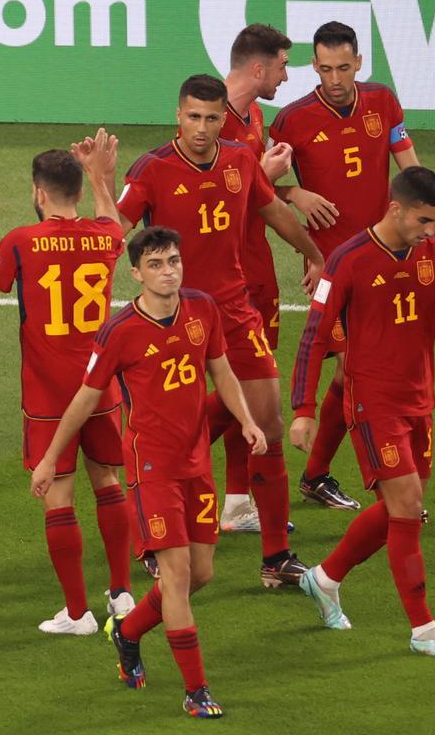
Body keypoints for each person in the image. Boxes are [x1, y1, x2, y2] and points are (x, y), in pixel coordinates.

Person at [290, 166, 435, 657]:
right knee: (405, 510)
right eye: (425, 220)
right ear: (395, 208)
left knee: (406, 507)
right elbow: (313, 338)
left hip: (420, 400)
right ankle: (423, 629)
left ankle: (325, 577)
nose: (432, 230)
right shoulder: (348, 259)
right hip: (373, 404)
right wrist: (305, 409)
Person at [32, 226, 265, 718]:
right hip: (151, 470)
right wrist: (51, 457)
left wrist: (245, 420)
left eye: (174, 261)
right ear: (136, 273)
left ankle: (130, 630)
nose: (168, 272)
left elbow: (220, 369)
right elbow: (85, 398)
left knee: (201, 573)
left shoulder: (203, 309)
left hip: (197, 464)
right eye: (156, 265)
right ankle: (196, 691)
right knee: (177, 576)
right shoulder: (120, 331)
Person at [117, 74, 324, 587]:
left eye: (212, 118)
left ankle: (275, 557)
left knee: (268, 425)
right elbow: (113, 227)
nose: (203, 128)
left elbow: (273, 208)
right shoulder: (151, 168)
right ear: (178, 116)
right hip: (171, 315)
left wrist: (313, 251)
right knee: (167, 432)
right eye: (193, 117)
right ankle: (152, 539)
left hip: (233, 309)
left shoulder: (239, 160)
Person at [270, 20, 435, 510]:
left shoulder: (382, 102)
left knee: (352, 370)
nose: (335, 78)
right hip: (332, 265)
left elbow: (410, 166)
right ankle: (333, 475)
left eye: (344, 67)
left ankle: (320, 475)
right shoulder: (290, 121)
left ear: (359, 62)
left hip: (385, 258)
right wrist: (297, 192)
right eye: (326, 68)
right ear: (314, 66)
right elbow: (258, 186)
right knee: (347, 368)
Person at [0, 130, 134, 635]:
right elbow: (113, 220)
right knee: (108, 483)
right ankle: (122, 593)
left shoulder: (21, 242)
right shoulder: (105, 237)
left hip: (49, 393)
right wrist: (99, 178)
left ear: (39, 193)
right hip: (102, 385)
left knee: (59, 495)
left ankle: (76, 613)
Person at [218, 23, 335, 531]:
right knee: (243, 392)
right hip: (230, 279)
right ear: (259, 67)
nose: (289, 75)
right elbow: (220, 201)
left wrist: (273, 184)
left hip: (258, 271)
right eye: (284, 65)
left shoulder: (255, 115)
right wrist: (282, 189)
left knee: (249, 390)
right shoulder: (211, 121)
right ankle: (173, 470)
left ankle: (238, 501)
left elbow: (254, 193)